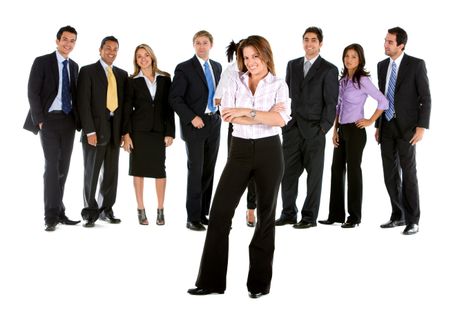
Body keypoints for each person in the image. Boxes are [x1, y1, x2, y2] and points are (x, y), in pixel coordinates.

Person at [187, 35, 291, 299]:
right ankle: (210, 281)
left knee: (266, 217)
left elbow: (280, 120)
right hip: (240, 151)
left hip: (269, 152)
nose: (251, 62)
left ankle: (258, 284)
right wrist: (258, 113)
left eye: (255, 56)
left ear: (266, 55)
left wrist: (249, 113)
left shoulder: (279, 84)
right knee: (220, 213)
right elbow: (227, 114)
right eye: (246, 57)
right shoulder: (235, 79)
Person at [319, 43, 388, 228]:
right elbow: (338, 107)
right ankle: (335, 214)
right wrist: (335, 130)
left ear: (360, 60)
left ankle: (354, 217)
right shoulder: (342, 81)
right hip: (342, 130)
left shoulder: (363, 80)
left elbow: (383, 101)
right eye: (347, 56)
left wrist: (370, 120)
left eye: (353, 57)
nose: (349, 59)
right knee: (336, 169)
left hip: (356, 131)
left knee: (354, 172)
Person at [276, 26, 339, 229]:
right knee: (287, 174)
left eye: (313, 40)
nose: (309, 43)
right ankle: (288, 214)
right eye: (306, 39)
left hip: (314, 131)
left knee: (314, 177)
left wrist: (323, 128)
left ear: (320, 43)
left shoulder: (329, 69)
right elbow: (285, 97)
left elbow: (331, 103)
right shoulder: (292, 65)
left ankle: (309, 217)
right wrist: (285, 123)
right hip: (292, 129)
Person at [24, 25, 81, 232]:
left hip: (68, 121)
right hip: (47, 121)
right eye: (65, 39)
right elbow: (32, 92)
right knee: (51, 166)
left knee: (63, 168)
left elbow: (76, 95)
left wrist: (78, 122)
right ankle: (50, 216)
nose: (68, 44)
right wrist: (39, 120)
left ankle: (59, 211)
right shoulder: (42, 62)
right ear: (57, 41)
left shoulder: (74, 66)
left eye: (72, 40)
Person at [376, 27, 431, 235]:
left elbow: (425, 97)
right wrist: (378, 126)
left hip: (408, 128)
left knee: (409, 174)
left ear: (401, 45)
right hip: (387, 126)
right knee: (389, 175)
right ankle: (397, 215)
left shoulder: (416, 65)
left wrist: (421, 126)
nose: (385, 45)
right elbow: (383, 98)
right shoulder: (382, 66)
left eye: (390, 42)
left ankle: (413, 220)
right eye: (385, 41)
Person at [169, 30, 222, 231]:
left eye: (205, 42)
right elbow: (175, 98)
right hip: (195, 126)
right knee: (196, 170)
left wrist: (220, 108)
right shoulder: (184, 68)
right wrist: (192, 117)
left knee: (209, 170)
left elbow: (218, 92)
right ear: (194, 45)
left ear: (211, 45)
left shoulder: (216, 67)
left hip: (214, 122)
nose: (201, 46)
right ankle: (192, 218)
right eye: (198, 43)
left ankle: (203, 213)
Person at [77, 36, 128, 227]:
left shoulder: (122, 75)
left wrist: (124, 132)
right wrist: (89, 131)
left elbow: (124, 107)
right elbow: (83, 104)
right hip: (94, 132)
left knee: (111, 173)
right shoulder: (88, 71)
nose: (111, 52)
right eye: (108, 48)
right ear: (100, 49)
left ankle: (106, 208)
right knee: (91, 173)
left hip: (114, 132)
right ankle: (89, 212)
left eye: (115, 49)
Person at [122, 44, 175, 225]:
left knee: (160, 171)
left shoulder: (165, 79)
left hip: (159, 131)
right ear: (136, 60)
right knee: (139, 170)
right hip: (139, 132)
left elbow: (169, 108)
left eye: (146, 55)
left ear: (152, 57)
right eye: (139, 56)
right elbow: (127, 109)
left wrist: (170, 132)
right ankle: (141, 208)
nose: (143, 59)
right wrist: (126, 134)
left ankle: (160, 209)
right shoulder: (132, 80)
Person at [214, 39, 257, 227]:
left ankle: (251, 209)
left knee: (256, 171)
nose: (247, 57)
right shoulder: (230, 71)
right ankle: (228, 212)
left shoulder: (259, 68)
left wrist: (243, 109)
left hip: (259, 128)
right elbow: (218, 100)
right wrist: (240, 111)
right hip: (236, 128)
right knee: (235, 169)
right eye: (243, 53)